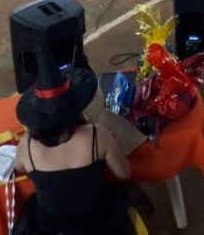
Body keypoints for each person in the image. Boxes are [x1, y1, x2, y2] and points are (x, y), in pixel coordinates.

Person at [13, 63, 136, 235]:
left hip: (49, 226)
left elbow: (19, 168)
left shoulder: (26, 146)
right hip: (95, 222)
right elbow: (124, 173)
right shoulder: (97, 136)